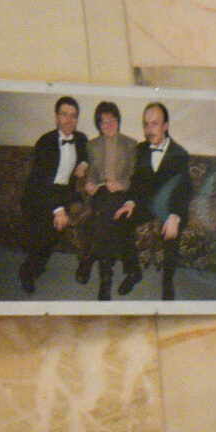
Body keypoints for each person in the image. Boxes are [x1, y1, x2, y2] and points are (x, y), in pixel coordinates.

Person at [17, 95, 87, 294]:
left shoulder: (80, 138)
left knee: (57, 230)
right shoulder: (45, 142)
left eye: (73, 116)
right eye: (64, 115)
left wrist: (84, 163)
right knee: (46, 231)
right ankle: (26, 271)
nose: (69, 120)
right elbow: (43, 180)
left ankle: (39, 263)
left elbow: (85, 154)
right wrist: (58, 210)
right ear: (56, 117)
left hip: (63, 192)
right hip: (39, 193)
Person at [126, 100, 195, 300]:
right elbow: (136, 181)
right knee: (121, 219)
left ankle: (167, 280)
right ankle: (133, 271)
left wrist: (174, 216)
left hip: (171, 205)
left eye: (154, 124)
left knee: (172, 230)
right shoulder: (141, 149)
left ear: (165, 126)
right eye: (146, 124)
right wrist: (130, 202)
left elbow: (184, 188)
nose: (149, 130)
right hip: (147, 203)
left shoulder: (179, 154)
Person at [79, 100, 139, 300]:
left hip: (121, 193)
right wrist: (90, 183)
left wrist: (121, 184)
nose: (109, 124)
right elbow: (92, 172)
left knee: (105, 217)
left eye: (112, 120)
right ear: (98, 125)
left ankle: (100, 270)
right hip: (101, 192)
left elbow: (133, 174)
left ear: (118, 121)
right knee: (106, 211)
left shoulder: (130, 144)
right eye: (104, 121)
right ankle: (105, 270)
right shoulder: (92, 145)